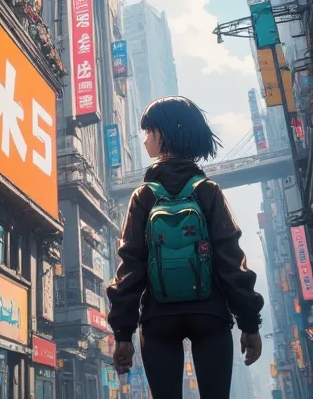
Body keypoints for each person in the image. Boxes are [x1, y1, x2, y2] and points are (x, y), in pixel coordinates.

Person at [107, 97, 263, 399]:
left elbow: (130, 267)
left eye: (148, 132)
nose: (144, 140)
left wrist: (122, 334)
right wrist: (249, 324)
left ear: (162, 134)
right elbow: (231, 262)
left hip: (158, 318)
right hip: (210, 315)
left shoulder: (143, 196)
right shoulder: (208, 192)